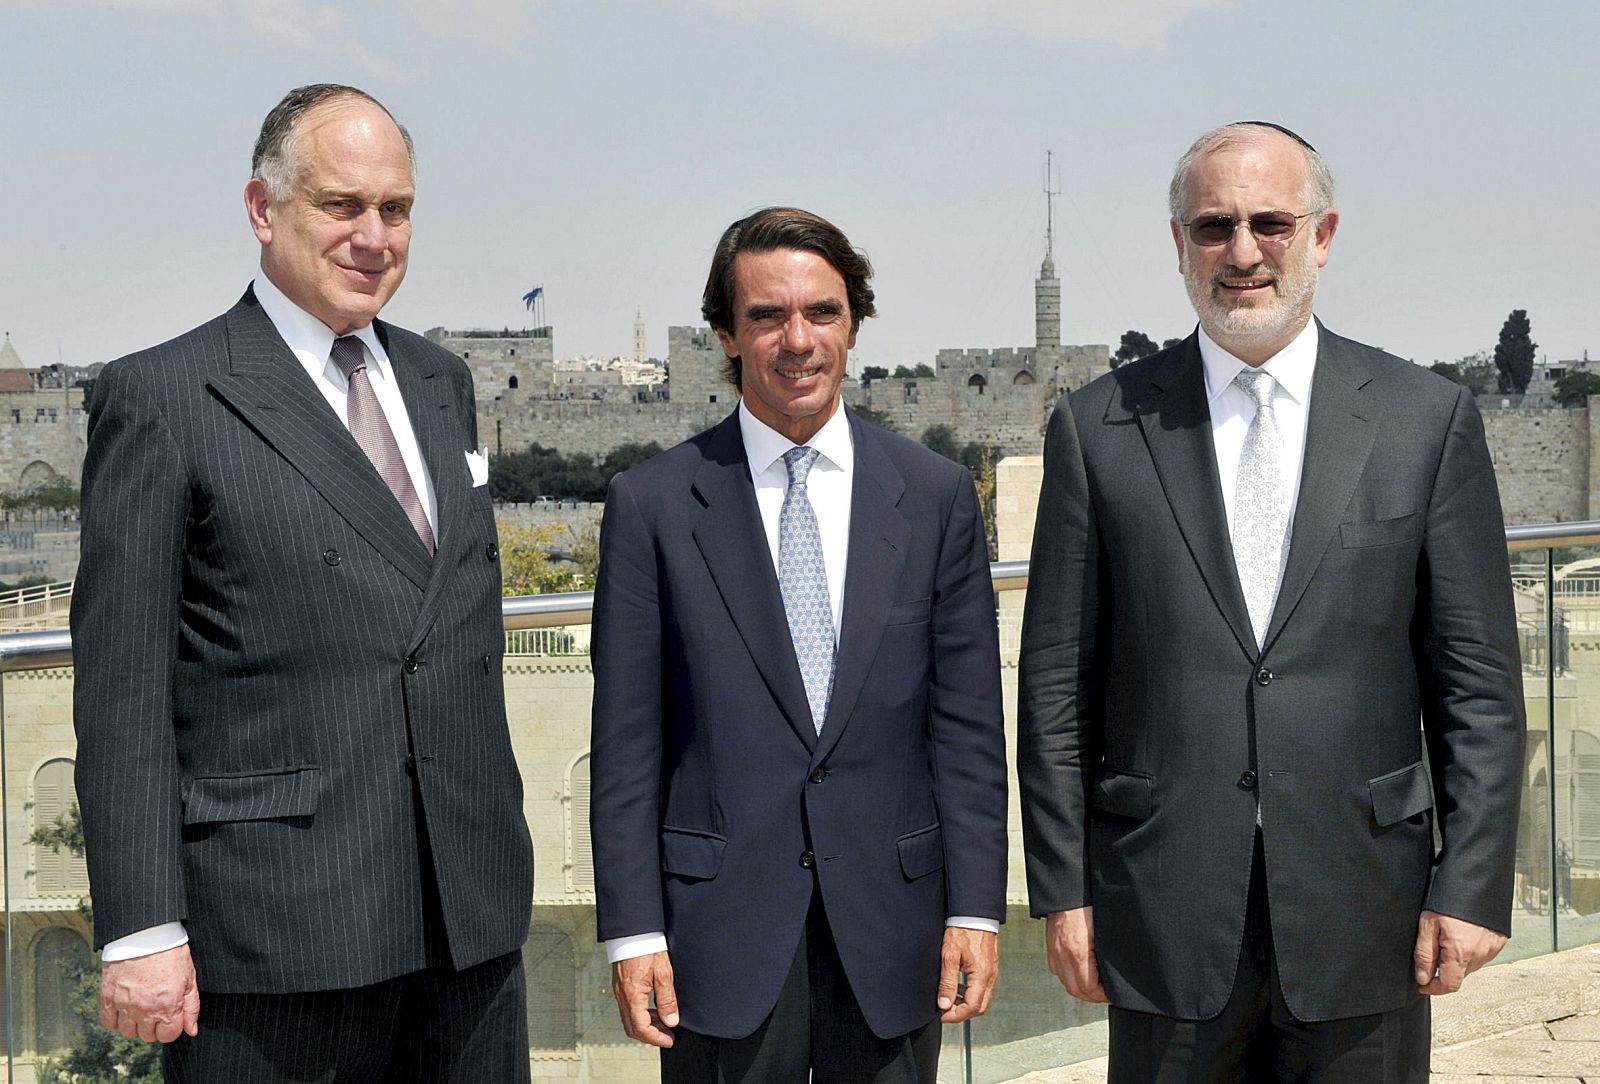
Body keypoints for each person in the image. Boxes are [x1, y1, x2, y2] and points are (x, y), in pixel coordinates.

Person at [1017, 122, 1525, 1082]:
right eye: (1213, 226)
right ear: (1178, 245)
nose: (1243, 252)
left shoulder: (1426, 420)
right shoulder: (1098, 428)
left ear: (1323, 234)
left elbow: (1479, 686)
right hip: (1160, 908)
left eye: (1271, 222)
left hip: (1364, 909)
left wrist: (1473, 884)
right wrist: (1063, 891)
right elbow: (1054, 684)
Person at [71, 84, 533, 1081]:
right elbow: (120, 686)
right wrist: (140, 925)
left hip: (466, 915)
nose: (373, 235)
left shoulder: (438, 382)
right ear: (260, 208)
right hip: (278, 929)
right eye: (340, 205)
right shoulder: (164, 396)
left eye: (396, 208)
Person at [589, 207, 1008, 1083]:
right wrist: (633, 930)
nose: (797, 340)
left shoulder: (933, 499)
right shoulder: (656, 505)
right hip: (719, 938)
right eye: (766, 317)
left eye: (821, 312)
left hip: (897, 936)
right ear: (726, 337)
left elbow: (966, 728)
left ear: (854, 324)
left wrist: (977, 910)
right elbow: (628, 746)